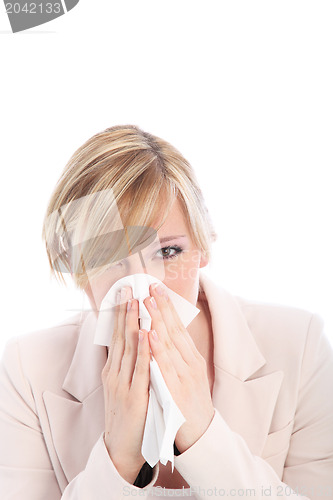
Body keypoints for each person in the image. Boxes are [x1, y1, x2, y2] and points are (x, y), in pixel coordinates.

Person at [0, 125, 332, 500]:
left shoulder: (300, 345)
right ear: (80, 272)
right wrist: (118, 459)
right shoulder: (28, 369)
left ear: (202, 247)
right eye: (108, 258)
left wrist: (203, 434)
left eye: (168, 252)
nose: (142, 284)